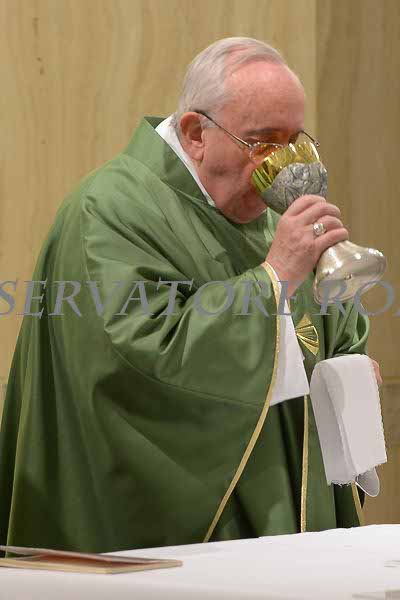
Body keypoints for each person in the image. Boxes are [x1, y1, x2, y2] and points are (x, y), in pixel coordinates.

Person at [0, 37, 381, 553]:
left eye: (295, 143)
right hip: (165, 536)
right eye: (263, 143)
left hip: (285, 519)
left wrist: (351, 364)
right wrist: (274, 278)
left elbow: (325, 326)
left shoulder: (269, 216)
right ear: (196, 133)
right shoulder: (108, 211)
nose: (284, 167)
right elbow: (139, 357)